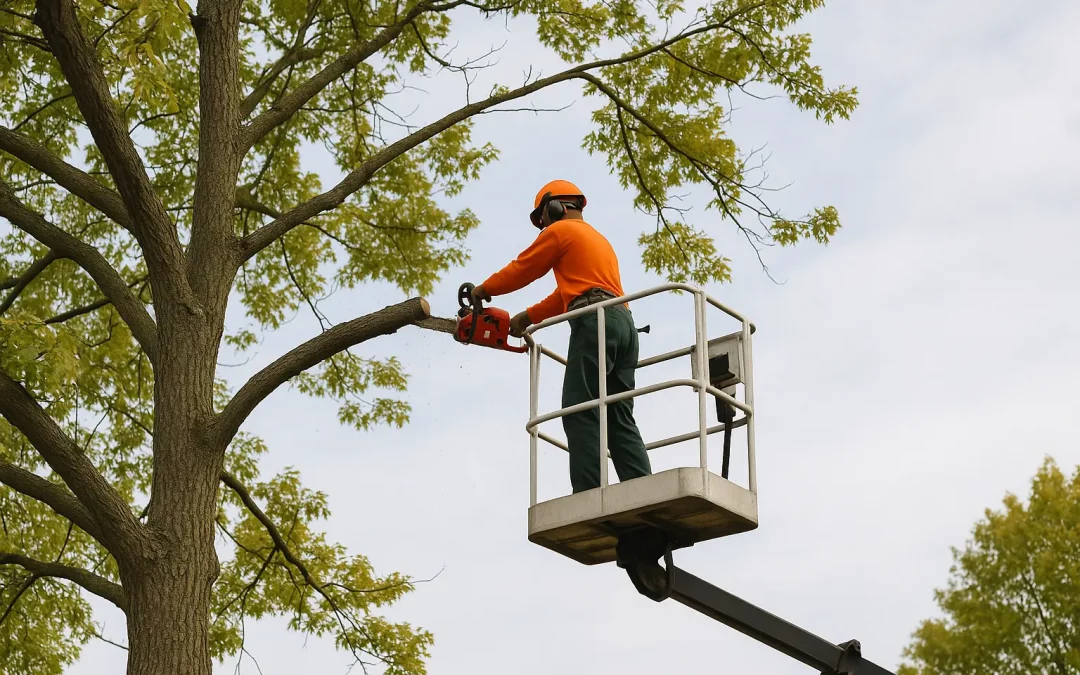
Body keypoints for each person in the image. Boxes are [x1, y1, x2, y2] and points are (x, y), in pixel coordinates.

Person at [473, 180, 652, 493]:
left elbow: (523, 268)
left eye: (543, 217)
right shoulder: (597, 239)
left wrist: (484, 289)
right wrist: (527, 317)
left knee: (578, 407)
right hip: (624, 323)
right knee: (619, 416)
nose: (543, 226)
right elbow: (566, 295)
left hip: (596, 322)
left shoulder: (560, 232)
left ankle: (589, 495)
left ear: (556, 206)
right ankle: (644, 492)